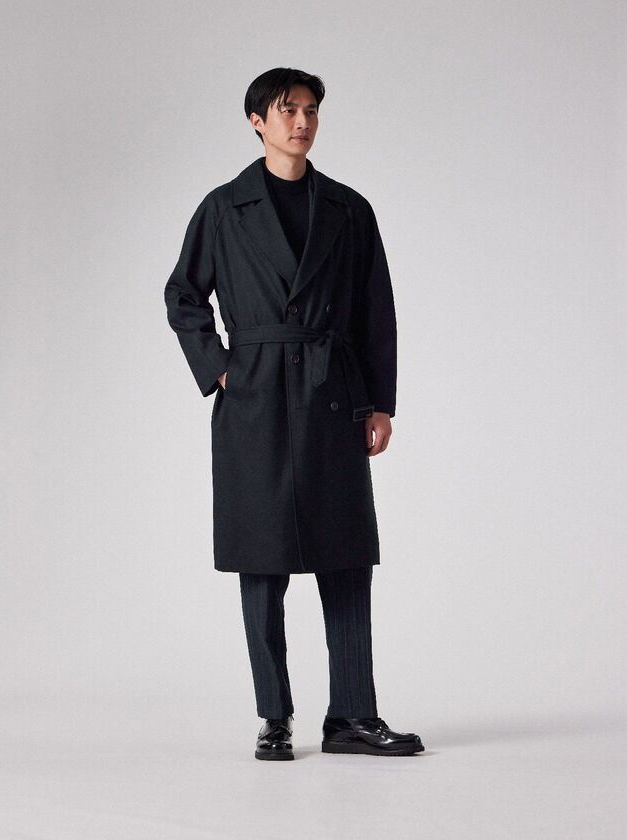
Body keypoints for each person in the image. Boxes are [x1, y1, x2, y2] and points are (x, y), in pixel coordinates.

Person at [164, 67, 424, 760]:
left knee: (347, 556)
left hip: (333, 395)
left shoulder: (348, 209)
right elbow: (183, 294)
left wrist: (380, 402)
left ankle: (352, 716)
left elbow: (376, 312)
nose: (302, 122)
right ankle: (274, 716)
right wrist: (220, 367)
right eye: (288, 110)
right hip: (254, 398)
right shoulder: (225, 208)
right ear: (257, 121)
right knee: (262, 560)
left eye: (310, 110)